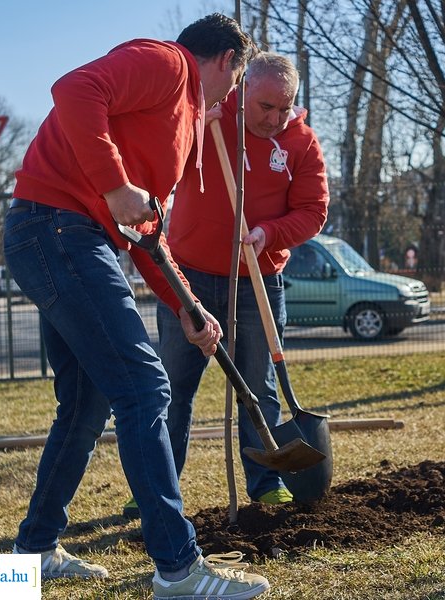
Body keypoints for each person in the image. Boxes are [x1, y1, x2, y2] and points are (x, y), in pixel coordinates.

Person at [4, 14, 271, 599]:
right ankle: (178, 569)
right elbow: (74, 90)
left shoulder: (180, 124)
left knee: (86, 402)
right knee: (145, 388)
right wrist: (114, 183)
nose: (233, 94)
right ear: (227, 59)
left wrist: (187, 306)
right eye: (239, 77)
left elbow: (146, 231)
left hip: (67, 236)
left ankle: (33, 553)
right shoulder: (166, 63)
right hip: (56, 227)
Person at [122, 51, 329, 517]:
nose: (275, 118)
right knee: (171, 387)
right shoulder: (210, 114)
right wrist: (196, 123)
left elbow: (313, 211)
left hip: (259, 283)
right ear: (244, 90)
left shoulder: (301, 143)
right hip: (188, 279)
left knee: (259, 387)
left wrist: (267, 234)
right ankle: (156, 490)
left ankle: (266, 481)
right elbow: (158, 161)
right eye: (265, 107)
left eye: (285, 107)